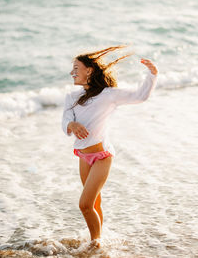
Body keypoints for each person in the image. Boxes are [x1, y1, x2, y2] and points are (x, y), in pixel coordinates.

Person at [61, 45, 158, 246]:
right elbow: (65, 120)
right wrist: (72, 124)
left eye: (76, 69)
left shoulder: (108, 95)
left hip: (102, 157)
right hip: (83, 156)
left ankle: (96, 243)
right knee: (94, 203)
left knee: (84, 204)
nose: (72, 73)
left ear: (89, 70)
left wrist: (152, 74)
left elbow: (140, 96)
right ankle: (98, 239)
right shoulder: (72, 98)